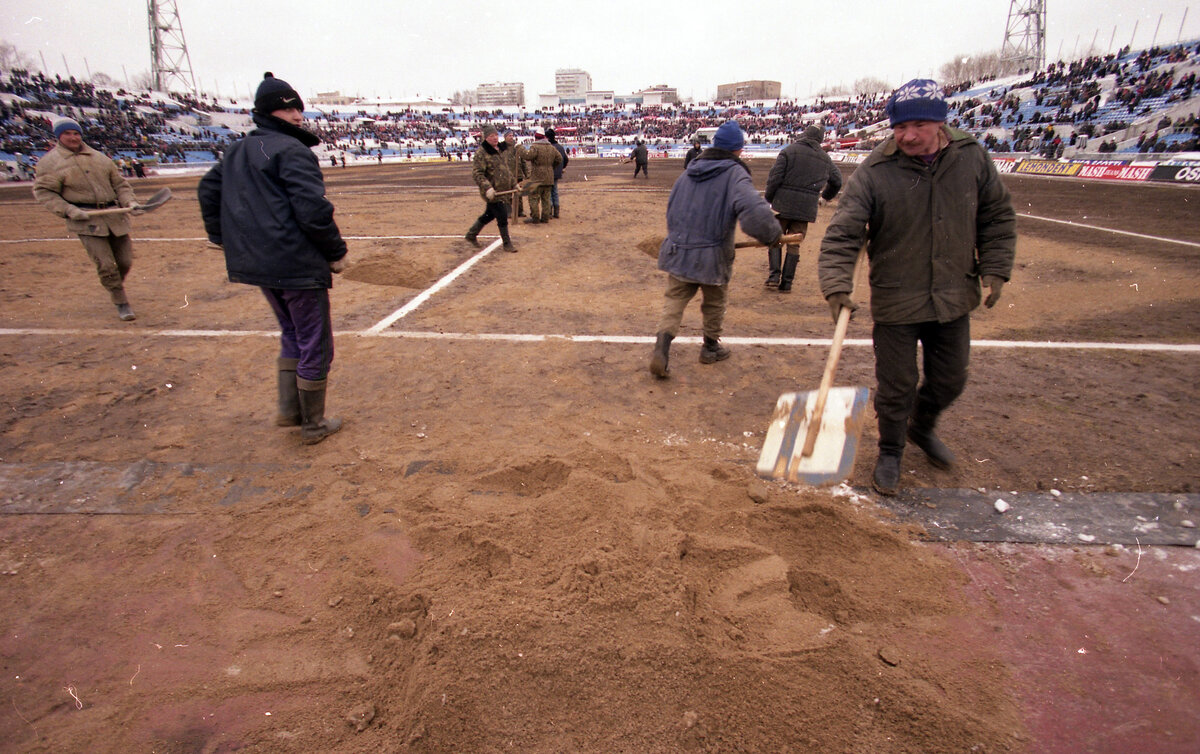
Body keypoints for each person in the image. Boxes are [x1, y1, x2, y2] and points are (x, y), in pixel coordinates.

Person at [818, 79, 1016, 496]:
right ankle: (891, 450)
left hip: (953, 295)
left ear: (941, 122)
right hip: (896, 298)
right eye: (898, 127)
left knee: (950, 380)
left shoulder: (972, 158)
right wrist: (836, 286)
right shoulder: (874, 171)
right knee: (897, 386)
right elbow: (843, 234)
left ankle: (920, 427)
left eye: (918, 125)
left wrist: (995, 269)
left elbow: (996, 217)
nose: (907, 135)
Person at [198, 73, 349, 445]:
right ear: (269, 112)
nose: (297, 115)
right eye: (287, 108)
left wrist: (221, 238)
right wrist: (335, 251)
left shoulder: (238, 150)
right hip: (296, 264)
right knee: (315, 340)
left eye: (298, 106)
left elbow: (208, 190)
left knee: (292, 333)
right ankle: (312, 424)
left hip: (260, 264)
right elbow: (312, 209)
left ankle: (289, 411)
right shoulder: (292, 150)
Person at [650, 121, 781, 377]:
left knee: (674, 302)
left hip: (679, 251)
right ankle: (710, 348)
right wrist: (772, 234)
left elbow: (672, 210)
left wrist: (679, 240)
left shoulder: (687, 173)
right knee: (714, 303)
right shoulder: (735, 174)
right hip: (712, 257)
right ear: (739, 150)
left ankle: (661, 349)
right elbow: (754, 213)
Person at [33, 116, 140, 321]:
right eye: (67, 134)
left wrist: (129, 202)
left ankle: (114, 285)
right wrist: (69, 210)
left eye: (76, 133)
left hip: (114, 217)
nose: (73, 138)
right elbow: (45, 193)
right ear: (58, 136)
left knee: (124, 262)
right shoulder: (50, 163)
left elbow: (120, 185)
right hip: (86, 220)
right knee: (106, 265)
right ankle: (121, 301)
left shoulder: (99, 157)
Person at [763, 124, 842, 292]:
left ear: (805, 134)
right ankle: (787, 283)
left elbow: (774, 178)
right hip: (805, 208)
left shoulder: (788, 151)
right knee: (794, 243)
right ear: (820, 139)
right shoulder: (825, 158)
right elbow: (837, 181)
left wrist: (770, 198)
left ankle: (774, 277)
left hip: (782, 205)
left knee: (775, 239)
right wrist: (825, 197)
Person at [465, 124, 518, 252]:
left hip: (502, 190)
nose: (495, 138)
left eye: (496, 135)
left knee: (489, 215)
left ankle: (471, 235)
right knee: (502, 214)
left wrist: (513, 183)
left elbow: (505, 170)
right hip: (492, 192)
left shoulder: (499, 150)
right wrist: (488, 188)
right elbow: (477, 173)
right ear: (485, 138)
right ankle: (507, 243)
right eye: (491, 136)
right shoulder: (481, 153)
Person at [521, 128, 561, 223]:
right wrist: (551, 167)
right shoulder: (551, 147)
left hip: (537, 177)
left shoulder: (535, 147)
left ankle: (535, 218)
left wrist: (520, 148)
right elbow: (559, 159)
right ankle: (545, 218)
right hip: (549, 177)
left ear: (536, 138)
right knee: (546, 199)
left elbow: (528, 156)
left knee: (533, 198)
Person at [545, 127, 569, 219]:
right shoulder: (560, 147)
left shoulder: (549, 147)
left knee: (549, 191)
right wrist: (561, 168)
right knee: (555, 191)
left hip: (549, 172)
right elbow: (566, 159)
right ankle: (556, 211)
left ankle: (550, 211)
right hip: (558, 172)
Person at [503, 131, 528, 218]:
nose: (511, 137)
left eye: (512, 135)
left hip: (518, 174)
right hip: (507, 175)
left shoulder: (517, 147)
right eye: (509, 136)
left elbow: (523, 162)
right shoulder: (501, 147)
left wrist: (527, 174)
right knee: (507, 195)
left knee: (519, 194)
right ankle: (508, 212)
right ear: (505, 137)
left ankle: (519, 211)